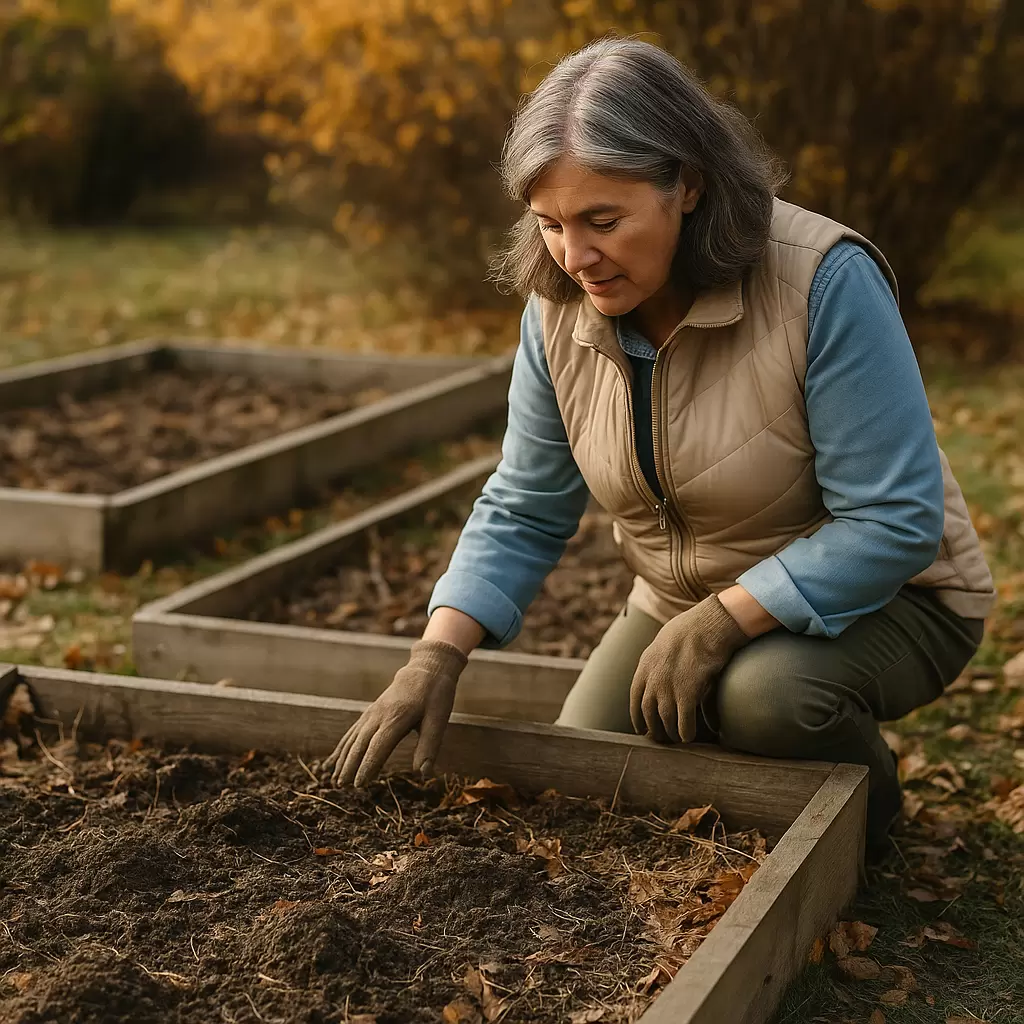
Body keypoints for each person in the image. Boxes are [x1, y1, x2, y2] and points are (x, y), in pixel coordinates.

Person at [323, 37, 994, 852]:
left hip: (897, 596)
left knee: (763, 700)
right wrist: (437, 654)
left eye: (603, 221)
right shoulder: (559, 306)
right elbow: (525, 501)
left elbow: (892, 521)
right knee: (591, 766)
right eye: (551, 225)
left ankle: (868, 822)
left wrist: (723, 623)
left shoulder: (822, 281)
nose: (576, 257)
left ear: (688, 185)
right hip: (682, 604)